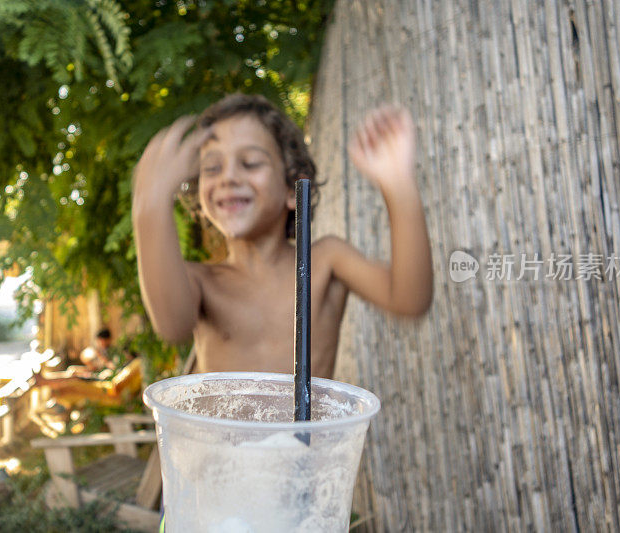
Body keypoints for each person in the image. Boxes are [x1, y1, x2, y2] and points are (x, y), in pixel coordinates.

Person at [131, 94, 433, 379]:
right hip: (219, 437)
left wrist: (398, 185)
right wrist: (150, 209)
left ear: (292, 187)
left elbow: (409, 299)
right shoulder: (201, 282)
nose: (228, 177)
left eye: (250, 163)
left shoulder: (325, 261)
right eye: (212, 168)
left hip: (305, 438)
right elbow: (172, 326)